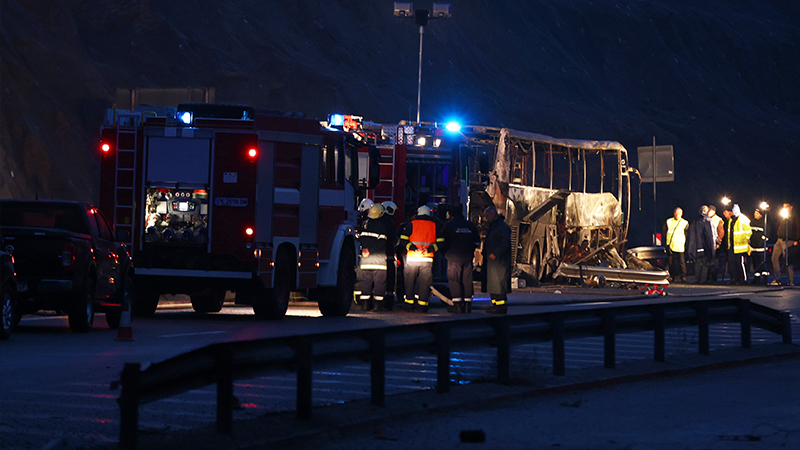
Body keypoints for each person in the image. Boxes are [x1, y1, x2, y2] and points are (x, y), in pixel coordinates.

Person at [399, 205, 443, 313]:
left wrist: (413, 248)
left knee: (410, 282)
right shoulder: (434, 226)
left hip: (412, 259)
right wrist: (429, 250)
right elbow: (441, 242)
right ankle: (422, 305)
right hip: (427, 260)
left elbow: (403, 240)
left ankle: (409, 304)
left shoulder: (412, 224)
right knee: (425, 283)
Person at [441, 204, 480, 313]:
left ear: (451, 214)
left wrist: (445, 253)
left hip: (453, 257)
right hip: (467, 257)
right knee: (467, 280)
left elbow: (442, 242)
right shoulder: (470, 225)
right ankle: (467, 305)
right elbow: (476, 242)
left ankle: (457, 305)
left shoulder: (448, 226)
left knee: (454, 280)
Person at [356, 203, 394, 311]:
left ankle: (365, 305)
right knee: (380, 283)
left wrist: (364, 250)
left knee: (365, 282)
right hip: (379, 260)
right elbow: (382, 241)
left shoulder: (365, 224)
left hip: (365, 259)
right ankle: (378, 305)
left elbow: (360, 239)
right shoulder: (382, 225)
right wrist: (371, 250)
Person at [482, 206, 512, 314]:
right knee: (493, 285)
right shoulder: (494, 226)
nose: (486, 218)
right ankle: (495, 305)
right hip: (493, 262)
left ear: (494, 215)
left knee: (499, 285)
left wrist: (496, 253)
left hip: (499, 262)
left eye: (488, 216)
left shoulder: (501, 227)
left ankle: (501, 306)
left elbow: (505, 243)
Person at [771, 203, 800, 286]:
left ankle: (791, 280)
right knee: (774, 257)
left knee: (788, 259)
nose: (785, 208)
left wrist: (796, 239)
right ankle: (777, 278)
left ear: (791, 207)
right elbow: (777, 224)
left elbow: (798, 227)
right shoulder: (782, 216)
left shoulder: (794, 216)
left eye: (786, 207)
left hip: (789, 239)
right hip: (779, 239)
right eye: (783, 207)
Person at [687, 205, 715, 284]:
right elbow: (710, 236)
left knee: (697, 263)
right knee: (705, 263)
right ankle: (703, 279)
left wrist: (691, 248)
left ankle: (697, 278)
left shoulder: (694, 221)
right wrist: (712, 248)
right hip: (705, 246)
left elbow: (691, 235)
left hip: (696, 246)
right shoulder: (708, 221)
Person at [380, 201, 399, 310]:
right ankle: (388, 303)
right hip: (389, 256)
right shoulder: (389, 224)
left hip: (379, 256)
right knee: (389, 281)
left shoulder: (378, 222)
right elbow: (394, 241)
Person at [663, 207, 689, 283]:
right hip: (670, 245)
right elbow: (664, 231)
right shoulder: (669, 221)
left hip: (680, 245)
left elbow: (687, 234)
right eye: (676, 213)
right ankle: (672, 276)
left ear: (681, 214)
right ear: (674, 213)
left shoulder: (685, 223)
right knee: (671, 262)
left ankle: (683, 276)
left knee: (681, 262)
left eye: (678, 213)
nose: (677, 215)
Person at [728, 204, 752, 285]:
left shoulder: (743, 219)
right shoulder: (732, 219)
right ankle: (735, 278)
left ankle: (742, 279)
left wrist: (745, 240)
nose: (734, 210)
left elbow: (749, 232)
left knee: (740, 263)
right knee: (732, 262)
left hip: (740, 245)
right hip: (733, 245)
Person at [706, 205, 725, 282]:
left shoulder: (718, 220)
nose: (708, 213)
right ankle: (708, 276)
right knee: (709, 260)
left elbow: (721, 232)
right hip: (708, 243)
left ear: (713, 211)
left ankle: (713, 277)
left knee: (714, 261)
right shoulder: (707, 219)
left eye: (709, 211)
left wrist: (718, 242)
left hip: (714, 243)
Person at [749, 208, 769, 285]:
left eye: (757, 213)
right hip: (754, 246)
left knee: (762, 262)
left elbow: (767, 234)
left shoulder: (765, 222)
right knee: (755, 262)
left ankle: (764, 278)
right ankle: (756, 278)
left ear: (761, 214)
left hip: (761, 247)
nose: (755, 215)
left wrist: (762, 241)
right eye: (754, 213)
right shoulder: (752, 222)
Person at [716, 208, 733, 282]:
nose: (723, 214)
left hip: (732, 245)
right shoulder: (724, 221)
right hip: (725, 245)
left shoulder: (733, 221)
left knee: (732, 262)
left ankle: (733, 277)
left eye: (725, 212)